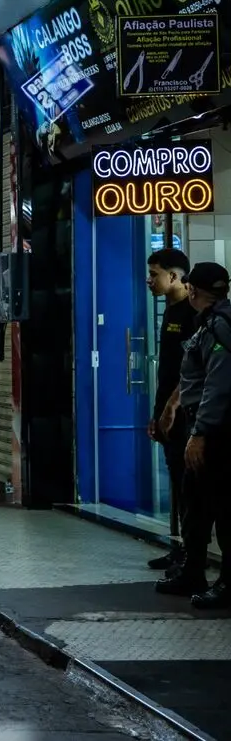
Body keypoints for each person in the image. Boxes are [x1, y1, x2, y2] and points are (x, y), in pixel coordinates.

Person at [157, 262, 231, 608]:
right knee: (197, 503)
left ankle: (225, 583)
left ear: (193, 290)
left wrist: (200, 433)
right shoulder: (209, 322)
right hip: (206, 428)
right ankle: (192, 571)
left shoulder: (219, 326)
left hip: (216, 434)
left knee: (221, 508)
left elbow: (217, 385)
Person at [145, 249, 197, 573]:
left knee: (189, 487)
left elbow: (190, 371)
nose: (149, 280)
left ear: (174, 276)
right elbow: (166, 371)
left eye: (155, 274)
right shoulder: (170, 310)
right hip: (167, 415)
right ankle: (181, 549)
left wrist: (171, 409)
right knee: (177, 484)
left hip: (185, 415)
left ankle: (192, 558)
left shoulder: (192, 313)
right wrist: (157, 413)